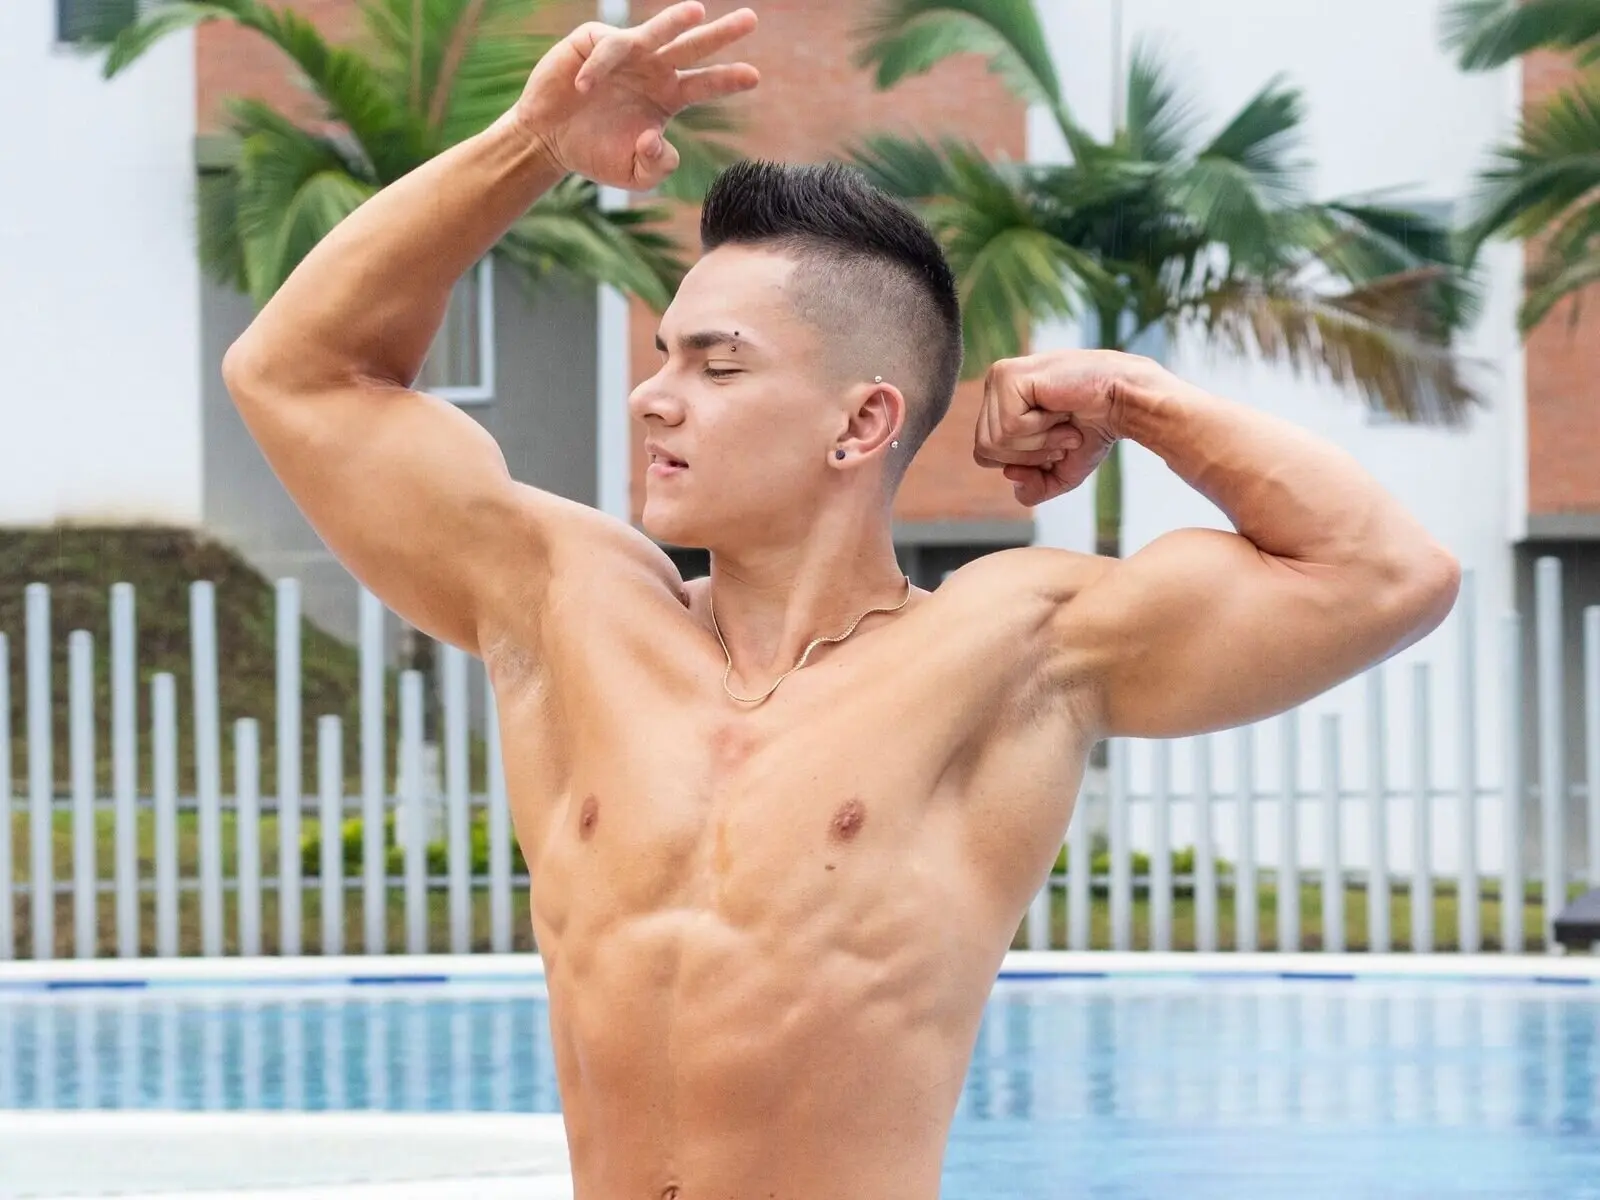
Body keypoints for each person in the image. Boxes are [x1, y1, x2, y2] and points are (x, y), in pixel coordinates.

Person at [219, 4, 1460, 1197]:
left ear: (861, 423)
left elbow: (1386, 574)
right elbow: (295, 374)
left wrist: (1135, 396)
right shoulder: (567, 603)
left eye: (717, 366)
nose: (655, 397)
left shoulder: (1010, 650)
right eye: (662, 357)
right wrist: (534, 142)